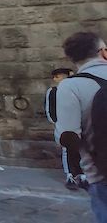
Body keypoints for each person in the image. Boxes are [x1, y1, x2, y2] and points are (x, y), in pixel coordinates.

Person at [54, 32, 107, 221]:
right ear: (103, 52)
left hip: (101, 172)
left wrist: (78, 171)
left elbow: (68, 136)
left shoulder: (71, 86)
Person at [45, 68, 85, 190]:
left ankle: (82, 175)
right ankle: (70, 176)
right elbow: (50, 108)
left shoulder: (75, 90)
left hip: (78, 123)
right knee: (67, 150)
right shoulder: (53, 91)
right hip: (64, 125)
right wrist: (56, 122)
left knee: (82, 149)